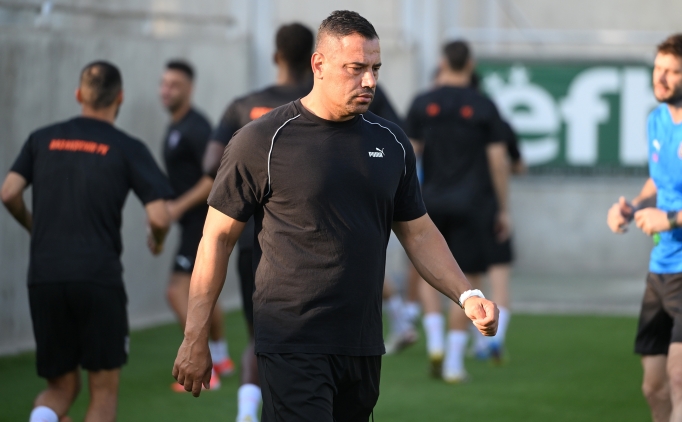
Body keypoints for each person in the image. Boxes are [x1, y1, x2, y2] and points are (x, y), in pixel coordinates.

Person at [173, 11, 498, 422]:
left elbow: (418, 233)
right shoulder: (261, 140)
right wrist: (195, 335)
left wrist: (467, 296)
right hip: (292, 340)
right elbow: (217, 239)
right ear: (319, 64)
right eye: (356, 68)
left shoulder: (391, 142)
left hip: (362, 343)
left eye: (375, 69)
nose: (370, 81)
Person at [0, 61, 173, 422]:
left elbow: (9, 193)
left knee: (61, 388)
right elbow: (159, 217)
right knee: (103, 391)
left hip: (45, 275)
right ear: (120, 98)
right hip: (98, 277)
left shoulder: (42, 138)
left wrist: (34, 226)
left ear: (79, 95)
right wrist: (157, 241)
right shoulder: (126, 146)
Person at [202, 23, 314, 422]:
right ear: (315, 59)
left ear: (275, 56)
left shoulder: (245, 106)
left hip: (255, 238)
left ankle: (247, 410)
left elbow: (211, 163)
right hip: (313, 239)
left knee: (260, 333)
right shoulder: (318, 105)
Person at [405, 40, 510, 382]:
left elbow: (408, 155)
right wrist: (503, 208)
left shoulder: (423, 102)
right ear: (471, 64)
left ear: (442, 63)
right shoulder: (484, 105)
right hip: (473, 204)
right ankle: (453, 362)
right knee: (468, 281)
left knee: (428, 270)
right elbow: (498, 161)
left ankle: (435, 342)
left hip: (429, 203)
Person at [607, 34, 682, 422]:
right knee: (654, 387)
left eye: (673, 71)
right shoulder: (656, 120)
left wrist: (668, 219)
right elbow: (659, 179)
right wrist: (634, 206)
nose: (661, 78)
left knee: (679, 377)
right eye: (658, 68)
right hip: (661, 267)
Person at [159, 60, 234, 392]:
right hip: (190, 221)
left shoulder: (197, 128)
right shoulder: (176, 126)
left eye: (174, 85)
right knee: (202, 291)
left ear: (189, 89)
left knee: (177, 290)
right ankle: (221, 359)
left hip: (201, 220)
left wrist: (175, 208)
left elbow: (213, 177)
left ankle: (206, 369)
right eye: (164, 84)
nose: (167, 91)